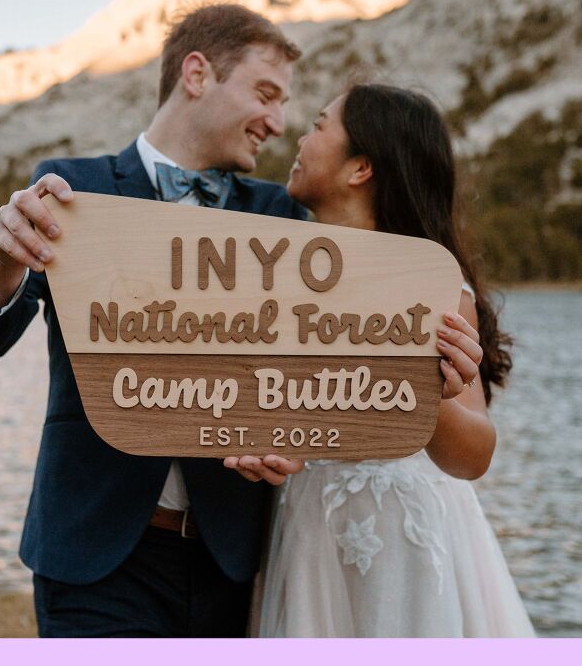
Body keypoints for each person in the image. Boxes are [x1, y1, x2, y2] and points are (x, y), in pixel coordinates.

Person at [0, 3, 317, 637]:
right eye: (265, 93)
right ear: (197, 75)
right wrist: (2, 264)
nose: (278, 122)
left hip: (229, 562)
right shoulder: (74, 188)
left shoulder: (280, 214)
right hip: (94, 557)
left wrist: (290, 434)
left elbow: (303, 374)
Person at [227, 84, 535, 637]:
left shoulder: (430, 285)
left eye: (319, 125)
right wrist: (264, 449)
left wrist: (415, 388)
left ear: (360, 167)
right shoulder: (278, 283)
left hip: (403, 540)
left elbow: (474, 455)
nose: (299, 135)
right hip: (308, 535)